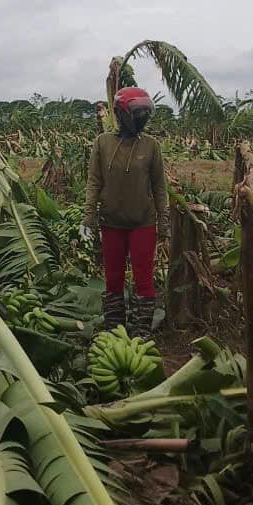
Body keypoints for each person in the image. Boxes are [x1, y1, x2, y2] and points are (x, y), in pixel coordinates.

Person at [81, 87, 169, 337]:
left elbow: (159, 187)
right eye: (137, 114)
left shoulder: (151, 146)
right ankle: (114, 329)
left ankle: (142, 332)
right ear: (122, 114)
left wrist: (164, 222)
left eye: (144, 114)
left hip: (142, 222)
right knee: (113, 278)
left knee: (144, 278)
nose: (142, 118)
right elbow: (94, 182)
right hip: (111, 222)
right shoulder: (103, 143)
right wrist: (89, 216)